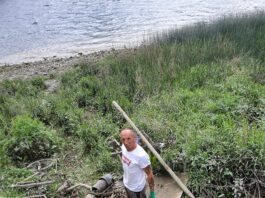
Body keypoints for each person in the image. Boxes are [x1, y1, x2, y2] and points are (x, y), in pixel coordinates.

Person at [120, 128, 156, 198]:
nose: (126, 142)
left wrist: (152, 192)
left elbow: (149, 174)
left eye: (128, 139)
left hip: (137, 189)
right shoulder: (123, 147)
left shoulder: (141, 156)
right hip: (127, 184)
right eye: (123, 139)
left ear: (135, 138)